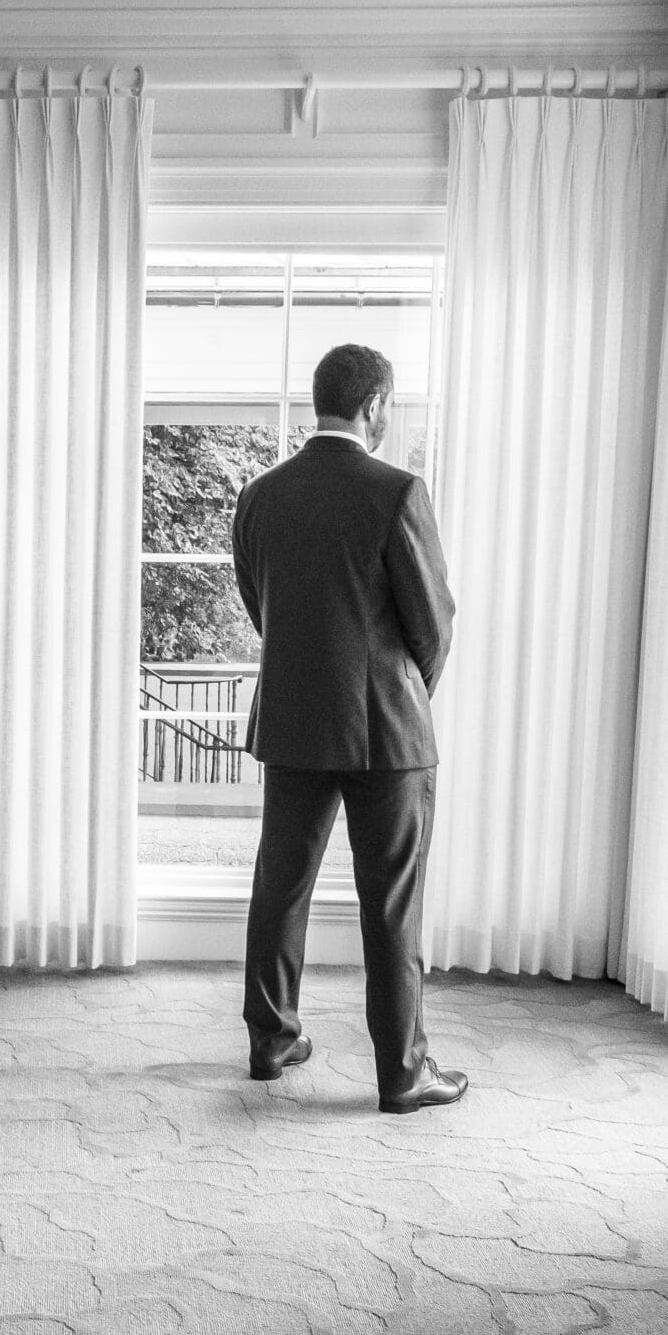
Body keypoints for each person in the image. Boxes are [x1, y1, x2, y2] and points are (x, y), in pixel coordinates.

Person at [231, 342, 466, 1113]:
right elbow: (433, 621)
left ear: (319, 401)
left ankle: (271, 1039)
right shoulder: (398, 491)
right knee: (390, 901)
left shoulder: (262, 494)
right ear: (377, 407)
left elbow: (258, 600)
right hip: (385, 733)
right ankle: (402, 1072)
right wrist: (402, 689)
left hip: (295, 721)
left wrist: (307, 670)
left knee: (281, 882)